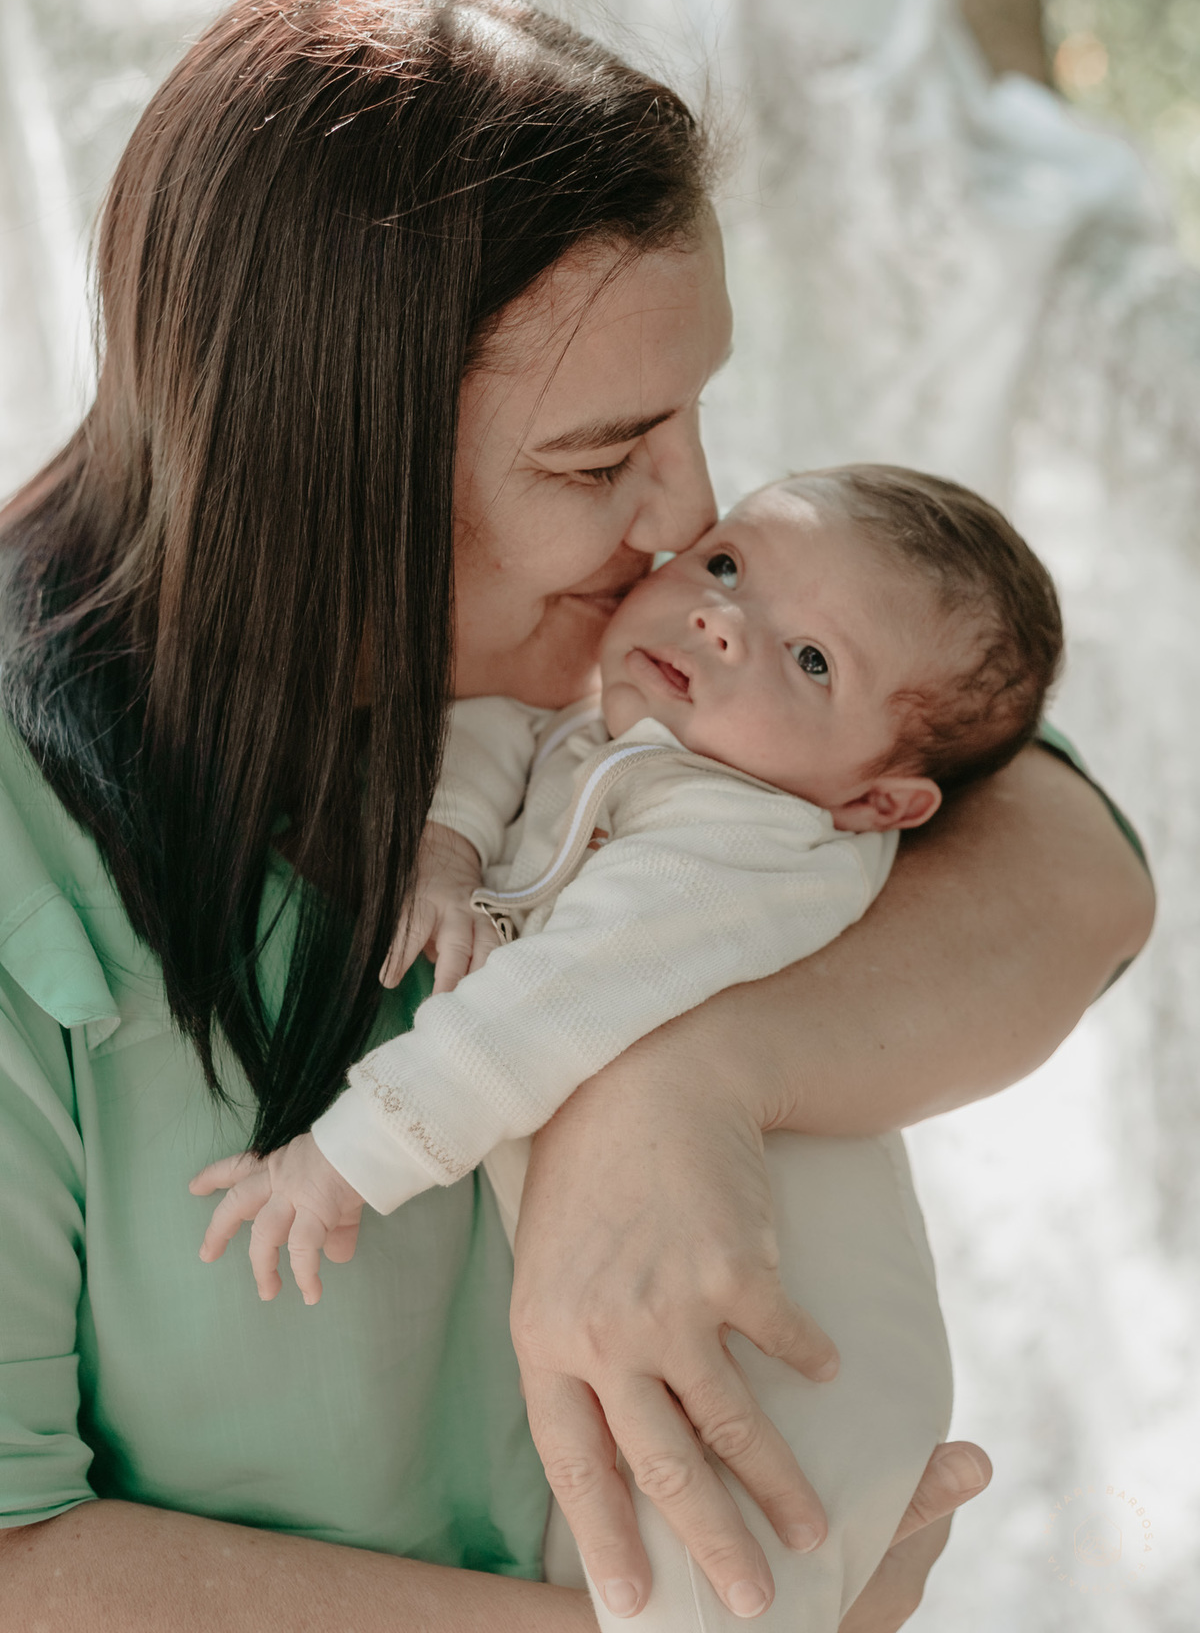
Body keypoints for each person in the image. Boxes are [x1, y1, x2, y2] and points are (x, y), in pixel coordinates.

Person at [0, 0, 1151, 1633]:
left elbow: (1071, 856)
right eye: (602, 458)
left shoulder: (645, 678)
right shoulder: (39, 859)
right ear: (328, 468)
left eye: (693, 417)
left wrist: (678, 1075)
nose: (687, 518)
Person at [191, 463, 1063, 1631]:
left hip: (791, 1348)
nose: (722, 621)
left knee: (698, 1575)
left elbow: (555, 1000)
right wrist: (447, 845)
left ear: (876, 804)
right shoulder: (645, 740)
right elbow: (503, 735)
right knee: (621, 1551)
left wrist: (350, 1156)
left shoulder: (751, 848)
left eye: (813, 660)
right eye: (728, 565)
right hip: (664, 1300)